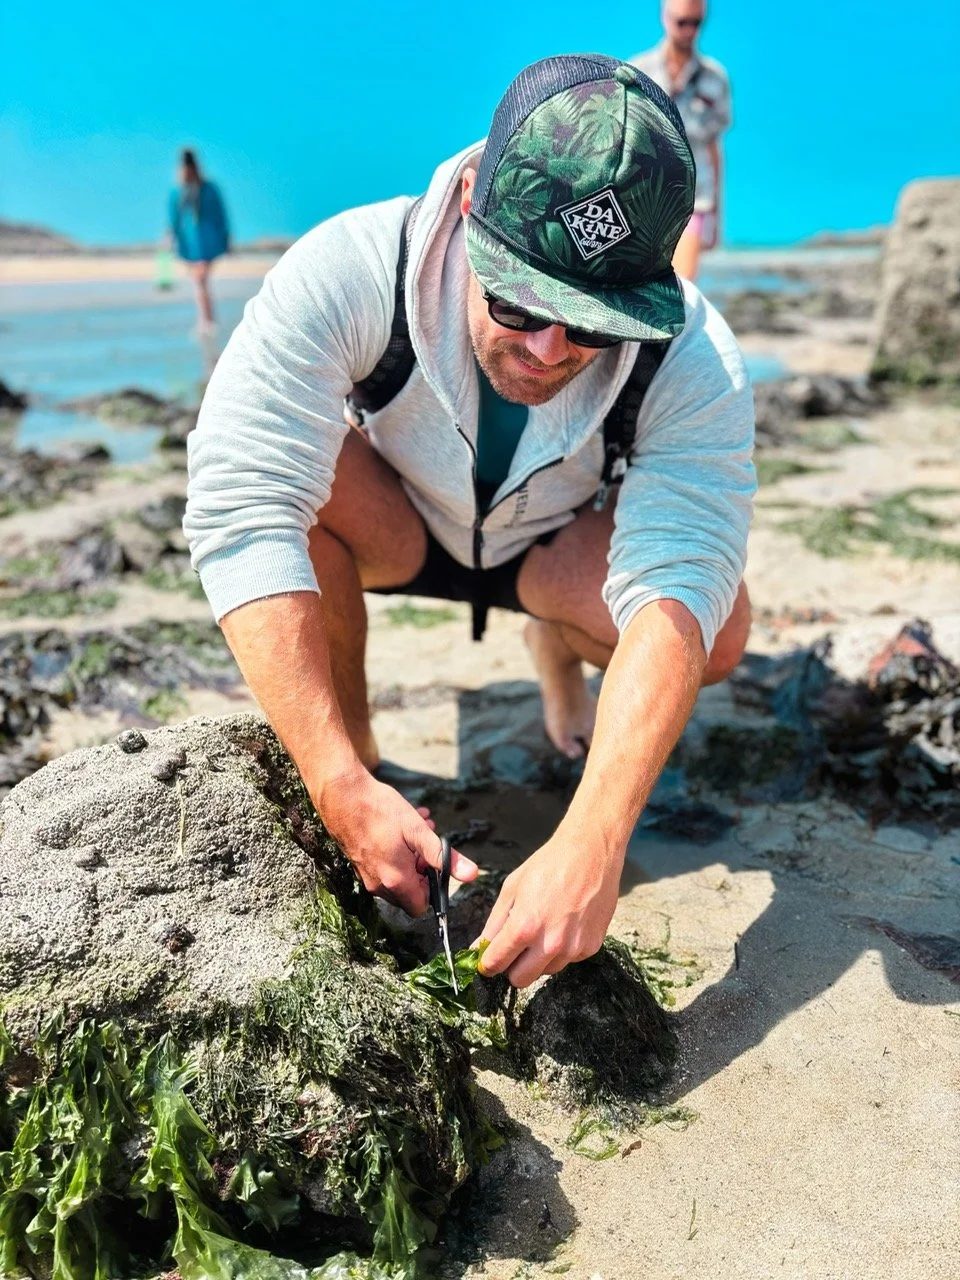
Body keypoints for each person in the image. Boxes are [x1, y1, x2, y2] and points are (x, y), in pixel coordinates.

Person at [184, 55, 755, 989]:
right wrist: (337, 782)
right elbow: (242, 500)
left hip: (547, 544)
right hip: (397, 518)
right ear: (463, 208)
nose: (546, 349)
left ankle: (552, 647)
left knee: (721, 628)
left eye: (592, 323)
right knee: (290, 480)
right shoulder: (351, 268)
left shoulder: (693, 354)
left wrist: (595, 838)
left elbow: (684, 566)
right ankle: (365, 752)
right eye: (522, 301)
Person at [631, 1, 732, 279]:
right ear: (665, 17)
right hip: (643, 200)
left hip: (693, 201)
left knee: (681, 290)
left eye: (695, 23)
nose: (688, 30)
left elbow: (714, 147)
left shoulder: (715, 79)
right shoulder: (638, 72)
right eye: (682, 22)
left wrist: (717, 219)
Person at [168, 148, 230, 331]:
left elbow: (221, 215)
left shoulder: (209, 189)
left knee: (201, 280)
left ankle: (206, 320)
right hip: (189, 243)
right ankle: (207, 319)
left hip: (208, 242)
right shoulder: (178, 191)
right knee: (199, 282)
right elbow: (174, 218)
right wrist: (172, 237)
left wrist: (225, 239)